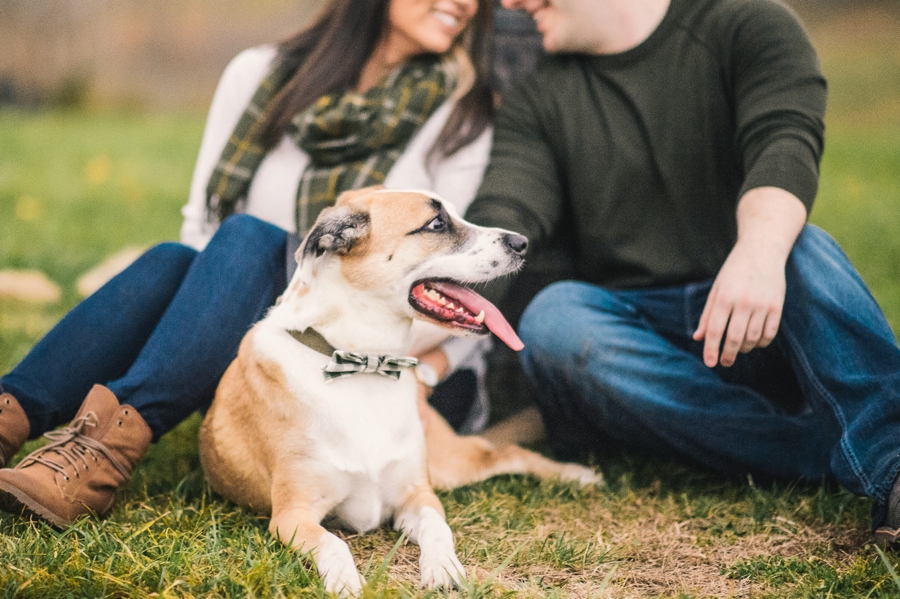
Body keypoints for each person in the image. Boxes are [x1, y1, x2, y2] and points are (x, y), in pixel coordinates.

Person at [0, 0, 495, 527]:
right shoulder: (259, 74)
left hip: (361, 349)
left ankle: (103, 452)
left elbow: (451, 274)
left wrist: (418, 372)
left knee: (247, 236)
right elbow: (203, 229)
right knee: (178, 258)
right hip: (241, 329)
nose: (462, 2)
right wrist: (226, 306)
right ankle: (14, 416)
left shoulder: (461, 111)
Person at [464, 0, 900, 546]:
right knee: (554, 318)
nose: (510, 5)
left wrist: (759, 253)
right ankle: (814, 452)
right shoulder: (539, 96)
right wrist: (431, 316)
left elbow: (784, 140)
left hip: (762, 313)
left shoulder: (748, 24)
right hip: (644, 353)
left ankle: (893, 467)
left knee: (803, 247)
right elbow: (507, 210)